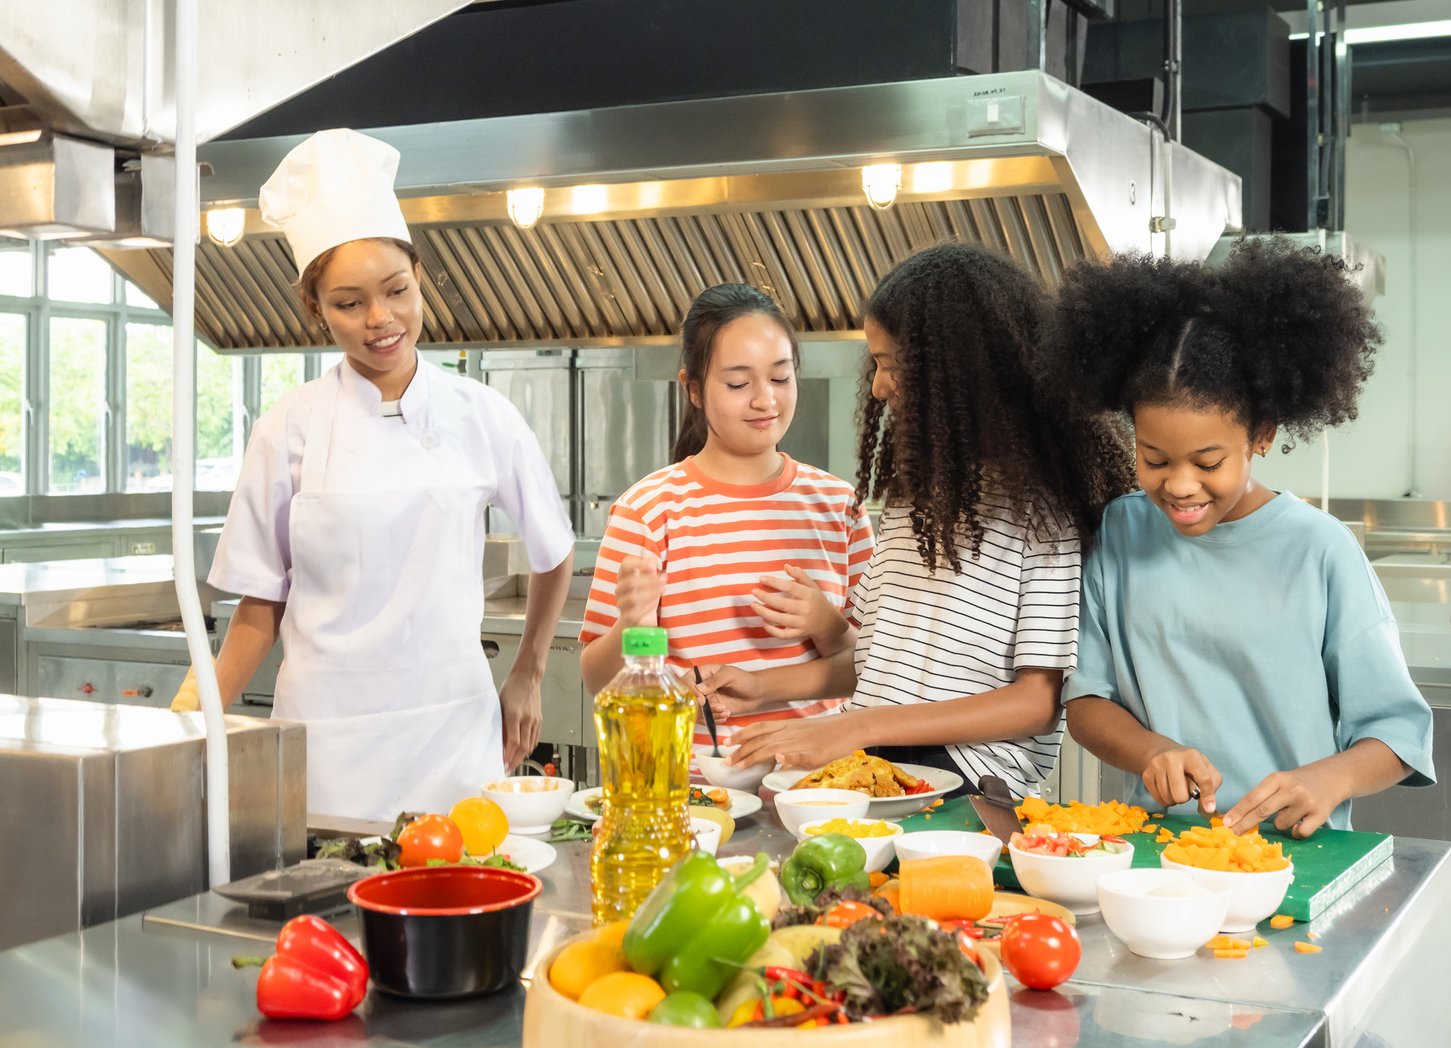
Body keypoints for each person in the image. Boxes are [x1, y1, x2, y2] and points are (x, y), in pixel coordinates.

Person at [174, 129, 575, 821]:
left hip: (455, 737)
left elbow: (554, 551)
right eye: (349, 302)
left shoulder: (483, 415)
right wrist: (180, 722)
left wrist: (528, 674)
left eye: (396, 291)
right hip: (329, 749)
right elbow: (256, 612)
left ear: (421, 280)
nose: (380, 320)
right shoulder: (287, 429)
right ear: (315, 309)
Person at [707, 244, 1133, 797]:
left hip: (970, 786)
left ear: (956, 374)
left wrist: (855, 726)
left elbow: (1036, 704)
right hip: (880, 761)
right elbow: (876, 664)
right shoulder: (917, 500)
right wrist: (760, 688)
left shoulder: (1041, 513)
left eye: (892, 366)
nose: (880, 387)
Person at [1055, 238, 1435, 836]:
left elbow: (1398, 734)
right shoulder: (1120, 534)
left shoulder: (1322, 550)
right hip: (1160, 848)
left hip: (1293, 854)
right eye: (1154, 459)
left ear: (1261, 435)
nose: (1180, 486)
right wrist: (1152, 751)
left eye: (1208, 463)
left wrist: (1329, 779)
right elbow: (1086, 703)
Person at [579, 284, 873, 750]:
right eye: (739, 383)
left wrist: (826, 624)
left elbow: (872, 671)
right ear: (693, 389)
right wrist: (630, 627)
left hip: (818, 788)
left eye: (780, 378)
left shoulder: (840, 507)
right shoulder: (647, 511)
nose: (765, 400)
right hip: (691, 791)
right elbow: (598, 679)